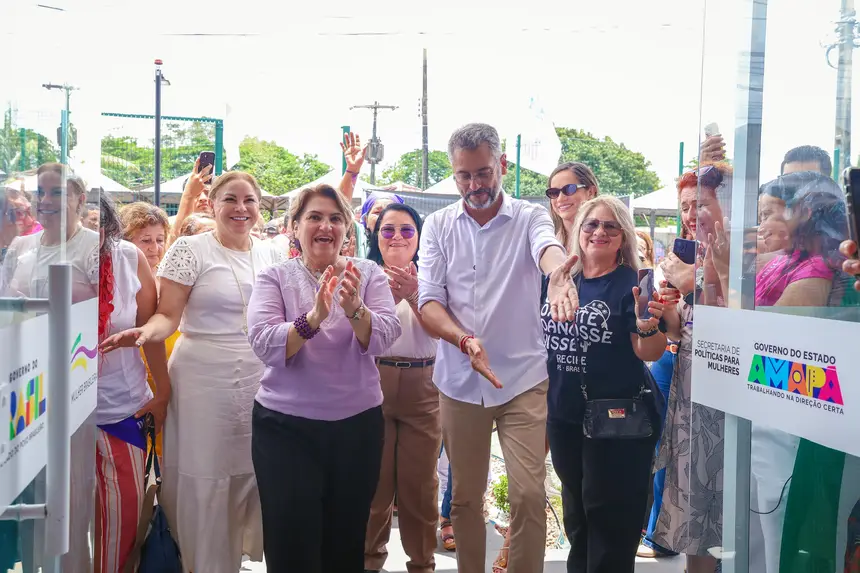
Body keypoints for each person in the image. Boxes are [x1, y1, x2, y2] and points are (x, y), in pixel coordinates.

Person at [101, 171, 283, 573]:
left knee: (251, 475)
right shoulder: (189, 249)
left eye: (249, 200)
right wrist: (145, 331)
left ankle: (233, 560)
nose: (240, 208)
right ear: (212, 204)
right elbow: (167, 316)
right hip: (203, 378)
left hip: (258, 379)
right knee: (206, 478)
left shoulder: (272, 252)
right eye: (230, 200)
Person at [417, 123, 579, 573]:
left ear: (502, 166)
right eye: (464, 176)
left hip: (522, 380)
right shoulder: (437, 225)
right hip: (459, 381)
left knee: (529, 494)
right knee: (465, 498)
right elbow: (427, 302)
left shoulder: (529, 216)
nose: (475, 186)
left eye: (484, 173)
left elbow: (546, 249)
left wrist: (558, 274)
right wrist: (464, 340)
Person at [246, 184, 401, 572]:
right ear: (295, 226)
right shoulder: (274, 277)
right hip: (285, 430)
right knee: (289, 541)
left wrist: (354, 310)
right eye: (314, 217)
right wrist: (312, 319)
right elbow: (265, 343)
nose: (325, 226)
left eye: (335, 218)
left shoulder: (367, 274)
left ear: (347, 229)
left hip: (356, 428)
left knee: (345, 540)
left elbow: (385, 335)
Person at [544, 195, 666, 572]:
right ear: (577, 231)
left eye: (610, 226)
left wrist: (648, 326)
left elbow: (651, 351)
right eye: (591, 224)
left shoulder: (635, 283)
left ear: (624, 236)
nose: (599, 232)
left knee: (611, 525)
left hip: (618, 421)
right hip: (565, 416)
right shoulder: (560, 279)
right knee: (578, 519)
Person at [493, 160, 601, 572]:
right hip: (543, 377)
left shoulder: (609, 240)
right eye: (552, 193)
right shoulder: (546, 243)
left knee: (593, 490)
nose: (559, 199)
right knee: (531, 479)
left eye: (568, 189)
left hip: (598, 384)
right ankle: (513, 557)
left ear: (590, 190)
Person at [655, 164, 730, 573]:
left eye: (700, 204)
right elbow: (680, 331)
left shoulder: (742, 254)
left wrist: (692, 285)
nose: (689, 215)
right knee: (693, 514)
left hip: (727, 402)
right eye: (684, 206)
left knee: (728, 513)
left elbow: (740, 323)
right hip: (690, 399)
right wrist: (663, 315)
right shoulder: (691, 254)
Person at [94, 193, 170, 573]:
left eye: (92, 219)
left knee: (122, 527)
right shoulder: (33, 257)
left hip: (121, 411)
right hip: (53, 418)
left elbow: (151, 332)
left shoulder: (127, 258)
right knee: (65, 523)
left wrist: (163, 392)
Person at [364, 203, 440, 573]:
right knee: (372, 486)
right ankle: (367, 561)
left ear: (419, 236)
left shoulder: (434, 274)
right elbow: (356, 332)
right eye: (388, 229)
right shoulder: (362, 273)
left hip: (423, 384)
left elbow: (441, 330)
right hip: (371, 381)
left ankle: (422, 563)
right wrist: (389, 296)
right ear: (375, 235)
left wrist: (413, 293)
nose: (396, 237)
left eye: (406, 230)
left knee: (420, 488)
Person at [1, 164, 98, 303]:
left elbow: (104, 315)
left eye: (57, 193)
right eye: (40, 192)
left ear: (80, 201)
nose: (45, 200)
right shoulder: (19, 246)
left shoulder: (94, 247)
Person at [168, 157, 214, 240]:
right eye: (196, 194)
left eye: (208, 193)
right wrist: (188, 195)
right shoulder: (168, 225)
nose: (203, 198)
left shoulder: (226, 226)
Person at [120, 202, 170, 273]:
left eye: (159, 240)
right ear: (125, 241)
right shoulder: (117, 280)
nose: (155, 248)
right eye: (146, 240)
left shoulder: (170, 278)